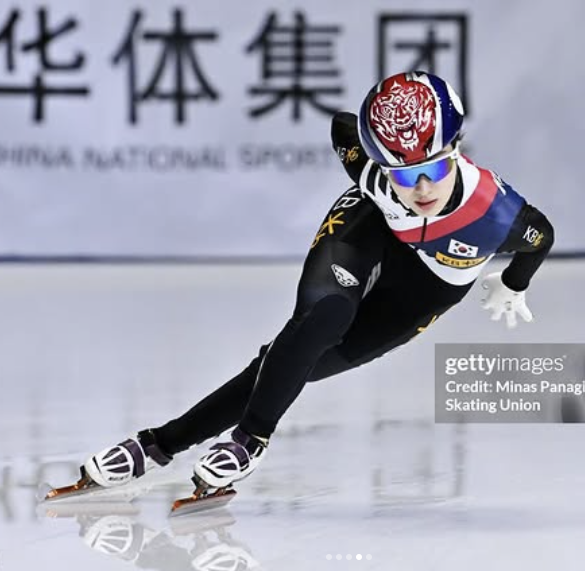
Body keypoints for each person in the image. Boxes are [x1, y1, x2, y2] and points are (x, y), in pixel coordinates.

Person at [72, 71, 554, 497]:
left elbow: (542, 238)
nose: (422, 189)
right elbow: (343, 126)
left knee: (296, 365)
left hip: (430, 284)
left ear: (456, 150)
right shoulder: (371, 173)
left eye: (434, 170)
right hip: (371, 226)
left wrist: (514, 283)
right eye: (405, 176)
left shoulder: (496, 214)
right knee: (318, 320)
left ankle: (159, 443)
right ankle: (248, 440)